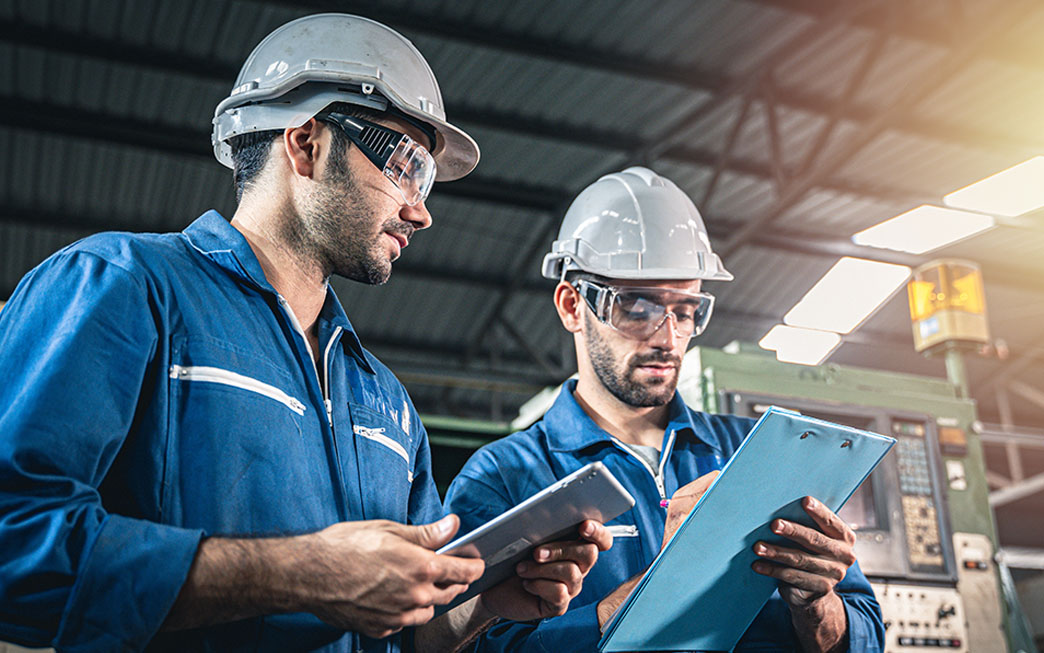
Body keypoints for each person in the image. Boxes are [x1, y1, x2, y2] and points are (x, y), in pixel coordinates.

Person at [0, 14, 611, 653]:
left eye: (425, 180)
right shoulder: (123, 287)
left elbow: (404, 633)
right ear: (306, 144)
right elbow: (15, 538)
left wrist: (481, 608)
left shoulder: (387, 403)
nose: (421, 210)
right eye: (405, 165)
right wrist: (303, 573)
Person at [444, 167, 886, 652]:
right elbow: (465, 642)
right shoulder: (506, 476)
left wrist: (816, 607)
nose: (669, 337)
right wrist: (663, 584)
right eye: (637, 306)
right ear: (572, 306)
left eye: (687, 309)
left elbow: (865, 632)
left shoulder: (756, 452)